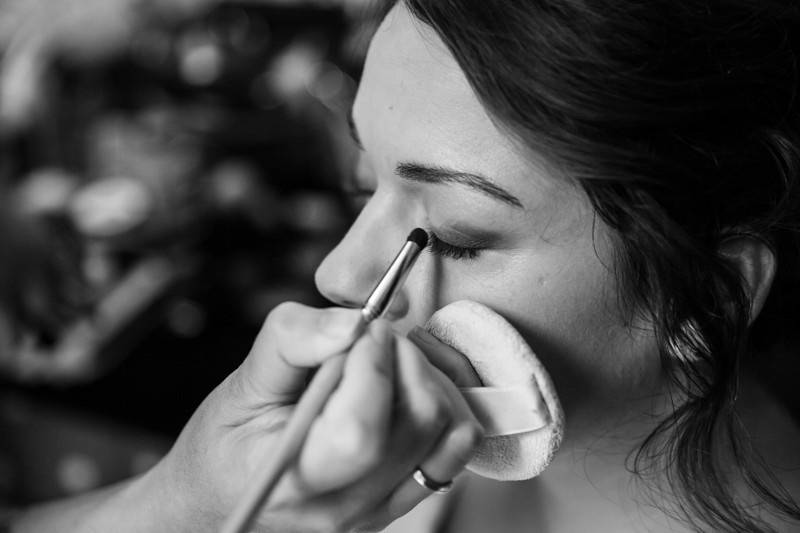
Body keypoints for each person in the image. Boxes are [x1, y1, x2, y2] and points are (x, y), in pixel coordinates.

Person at [9, 0, 800, 531]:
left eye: (454, 234)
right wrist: (186, 496)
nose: (337, 274)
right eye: (362, 181)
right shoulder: (398, 449)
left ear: (711, 301)